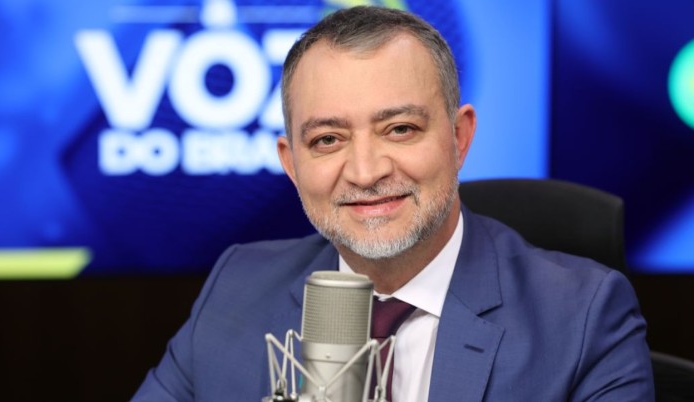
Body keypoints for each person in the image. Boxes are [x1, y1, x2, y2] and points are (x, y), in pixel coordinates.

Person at [131, 6, 654, 402]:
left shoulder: (584, 317)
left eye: (399, 129)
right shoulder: (236, 288)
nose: (366, 172)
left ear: (459, 138)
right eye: (328, 140)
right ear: (291, 164)